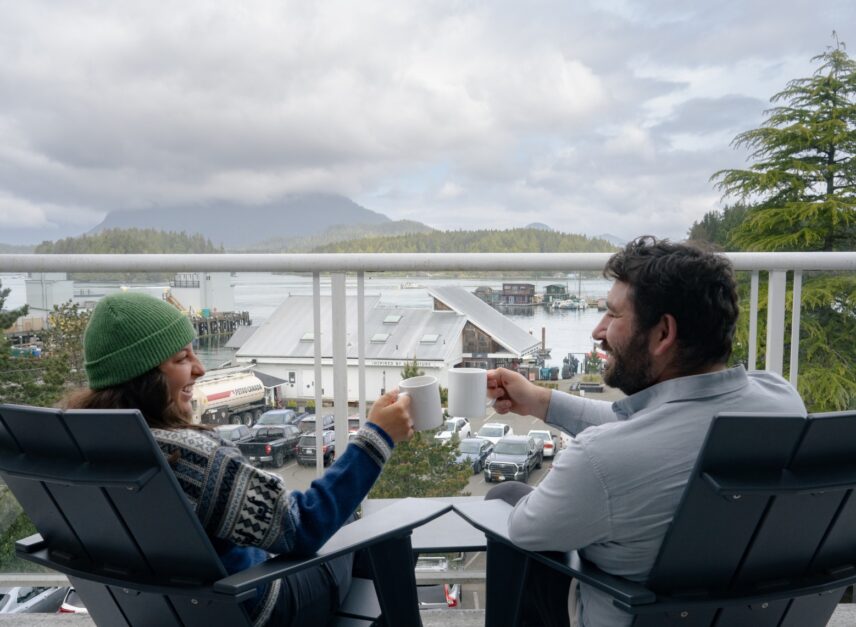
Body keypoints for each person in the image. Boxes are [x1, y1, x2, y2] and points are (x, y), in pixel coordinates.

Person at [486, 236, 806, 627]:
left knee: (507, 496)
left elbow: (525, 529)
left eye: (612, 315)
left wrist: (573, 471)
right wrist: (544, 402)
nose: (597, 331)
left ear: (663, 333)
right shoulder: (783, 403)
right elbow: (664, 431)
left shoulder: (600, 462)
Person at [63, 291, 414, 627]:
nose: (200, 369)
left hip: (158, 612)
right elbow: (303, 526)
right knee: (358, 523)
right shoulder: (187, 458)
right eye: (182, 359)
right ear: (144, 376)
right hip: (257, 608)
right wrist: (377, 437)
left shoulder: (80, 449)